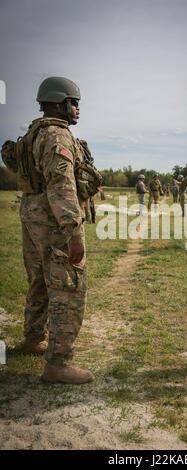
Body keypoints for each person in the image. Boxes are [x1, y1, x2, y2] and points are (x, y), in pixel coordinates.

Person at [1, 76, 101, 384]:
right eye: (75, 103)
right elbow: (62, 185)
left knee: (40, 281)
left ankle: (33, 338)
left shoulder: (32, 134)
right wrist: (72, 230)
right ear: (60, 104)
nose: (78, 109)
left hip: (33, 216)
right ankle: (58, 363)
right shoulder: (57, 136)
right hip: (56, 221)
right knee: (69, 287)